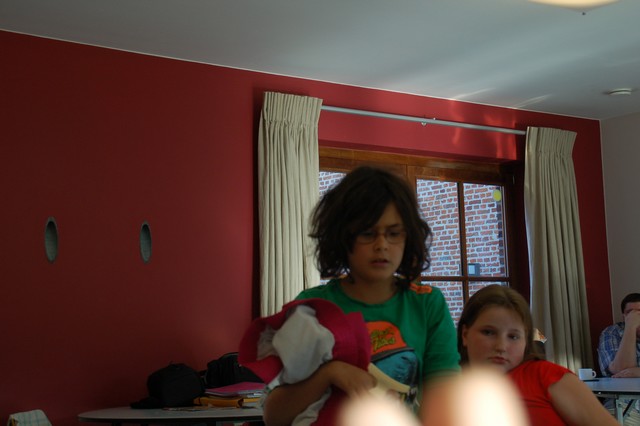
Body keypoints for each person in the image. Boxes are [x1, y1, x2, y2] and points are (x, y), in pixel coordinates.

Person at [261, 166, 460, 426]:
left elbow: (446, 406)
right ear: (342, 237)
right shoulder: (312, 308)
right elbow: (273, 416)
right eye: (367, 233)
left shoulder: (427, 304)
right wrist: (329, 373)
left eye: (394, 233)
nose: (382, 245)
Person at [458, 284, 618, 426]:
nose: (501, 346)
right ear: (465, 334)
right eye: (488, 332)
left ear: (526, 340)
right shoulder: (450, 387)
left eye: (513, 336)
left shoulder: (546, 376)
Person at [597, 293, 640, 425]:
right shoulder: (611, 332)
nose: (636, 317)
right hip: (623, 403)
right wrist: (631, 327)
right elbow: (620, 370)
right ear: (624, 316)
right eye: (630, 313)